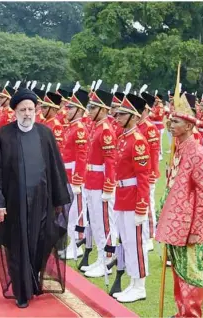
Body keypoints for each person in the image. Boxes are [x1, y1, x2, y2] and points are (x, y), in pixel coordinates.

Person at [0, 88, 71, 308]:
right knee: (18, 245)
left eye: (31, 109)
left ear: (37, 110)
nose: (26, 114)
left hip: (43, 202)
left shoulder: (45, 134)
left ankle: (33, 283)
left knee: (40, 243)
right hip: (16, 203)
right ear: (14, 111)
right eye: (22, 109)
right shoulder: (4, 136)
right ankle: (21, 291)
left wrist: (60, 201)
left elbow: (56, 168)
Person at [156, 92, 203, 317]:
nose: (170, 124)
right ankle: (181, 312)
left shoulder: (197, 153)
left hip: (189, 227)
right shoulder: (178, 149)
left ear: (189, 125)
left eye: (176, 121)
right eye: (170, 120)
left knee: (190, 274)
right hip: (174, 224)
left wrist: (197, 230)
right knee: (178, 272)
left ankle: (191, 314)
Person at [111, 93, 151, 303]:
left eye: (123, 114)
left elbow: (143, 177)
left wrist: (142, 207)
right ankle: (133, 281)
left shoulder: (137, 142)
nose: (117, 116)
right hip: (122, 195)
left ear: (134, 117)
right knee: (127, 241)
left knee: (136, 243)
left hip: (134, 197)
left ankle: (140, 285)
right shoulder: (123, 138)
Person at [81, 89, 118, 278]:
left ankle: (107, 261)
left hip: (101, 183)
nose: (89, 110)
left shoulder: (106, 130)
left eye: (93, 107)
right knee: (95, 223)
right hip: (91, 180)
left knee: (104, 224)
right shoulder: (97, 127)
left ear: (103, 110)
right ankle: (100, 258)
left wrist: (109, 186)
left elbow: (110, 161)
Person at [60, 87, 90, 260]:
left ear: (79, 110)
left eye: (71, 108)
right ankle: (71, 244)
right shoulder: (71, 127)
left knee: (75, 212)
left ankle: (76, 245)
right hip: (67, 172)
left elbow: (82, 156)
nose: (67, 110)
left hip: (74, 176)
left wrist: (78, 179)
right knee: (68, 212)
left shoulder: (79, 129)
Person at [138, 91, 161, 251]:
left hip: (148, 174)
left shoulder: (150, 128)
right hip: (137, 173)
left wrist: (152, 174)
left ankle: (149, 238)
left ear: (146, 110)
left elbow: (154, 154)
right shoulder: (137, 125)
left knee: (147, 206)